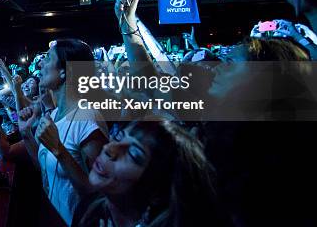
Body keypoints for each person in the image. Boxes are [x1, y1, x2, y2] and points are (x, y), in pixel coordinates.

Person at [19, 39, 109, 225]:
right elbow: (45, 168)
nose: (41, 63)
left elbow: (99, 193)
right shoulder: (53, 115)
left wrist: (59, 150)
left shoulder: (87, 117)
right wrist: (26, 133)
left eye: (48, 58)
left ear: (64, 71)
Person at [73, 119, 229, 227]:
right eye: (120, 136)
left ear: (157, 191)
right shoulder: (89, 212)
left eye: (134, 154)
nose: (109, 149)